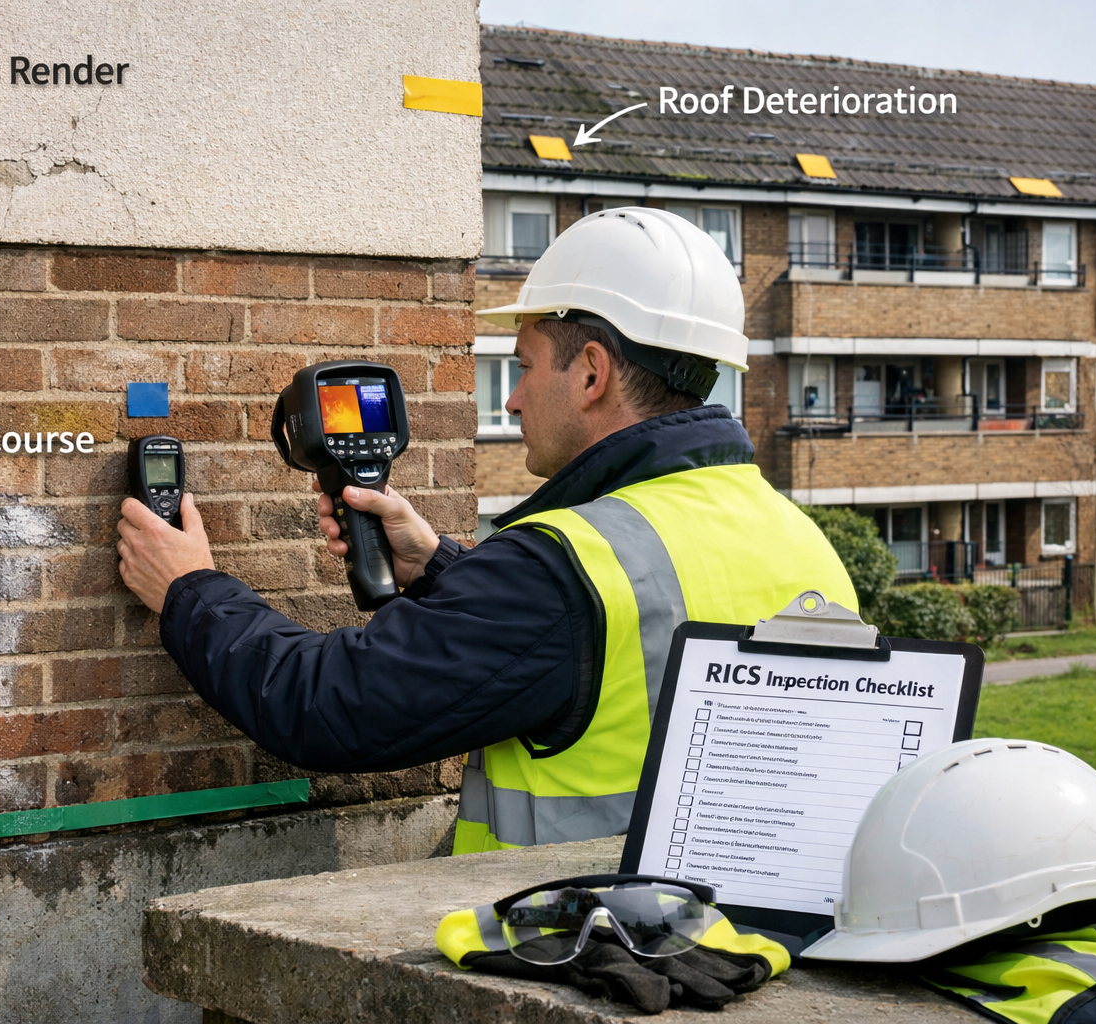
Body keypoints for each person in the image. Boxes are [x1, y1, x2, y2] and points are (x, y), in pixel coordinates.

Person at [116, 207, 855, 855]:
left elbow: (327, 705)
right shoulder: (799, 538)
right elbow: (602, 647)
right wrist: (441, 565)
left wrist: (190, 588)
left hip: (583, 949)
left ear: (592, 374)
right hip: (742, 944)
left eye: (525, 368)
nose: (514, 403)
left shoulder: (561, 570)